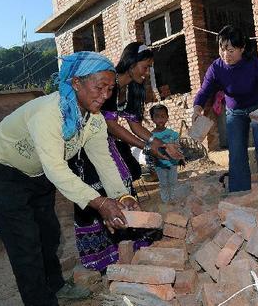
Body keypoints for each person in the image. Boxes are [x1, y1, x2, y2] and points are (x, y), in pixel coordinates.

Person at [0, 51, 139, 305]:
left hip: (38, 172)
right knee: (24, 242)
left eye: (110, 89)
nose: (105, 95)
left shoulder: (94, 120)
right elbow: (57, 170)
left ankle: (56, 286)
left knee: (48, 233)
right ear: (76, 82)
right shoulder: (51, 113)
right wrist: (101, 203)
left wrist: (120, 195)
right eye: (99, 87)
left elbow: (104, 161)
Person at [69, 42, 183, 271]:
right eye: (145, 66)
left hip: (106, 145)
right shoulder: (107, 86)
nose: (147, 71)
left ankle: (131, 247)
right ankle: (101, 258)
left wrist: (157, 143)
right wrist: (148, 147)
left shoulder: (134, 89)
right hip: (86, 147)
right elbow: (111, 126)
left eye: (150, 67)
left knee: (123, 189)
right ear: (131, 63)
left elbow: (134, 124)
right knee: (95, 193)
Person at [192, 25, 258, 192]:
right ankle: (240, 191)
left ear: (242, 48)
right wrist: (197, 109)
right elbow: (204, 92)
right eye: (222, 49)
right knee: (236, 150)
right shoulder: (216, 67)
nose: (225, 55)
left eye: (231, 50)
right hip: (235, 111)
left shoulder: (254, 64)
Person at [149, 104, 184, 203]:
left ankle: (173, 199)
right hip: (159, 165)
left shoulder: (172, 134)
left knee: (173, 182)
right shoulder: (151, 136)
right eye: (157, 116)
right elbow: (150, 151)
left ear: (167, 118)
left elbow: (178, 148)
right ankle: (165, 200)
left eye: (163, 116)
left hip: (172, 163)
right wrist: (151, 166)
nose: (160, 119)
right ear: (152, 119)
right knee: (163, 183)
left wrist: (181, 158)